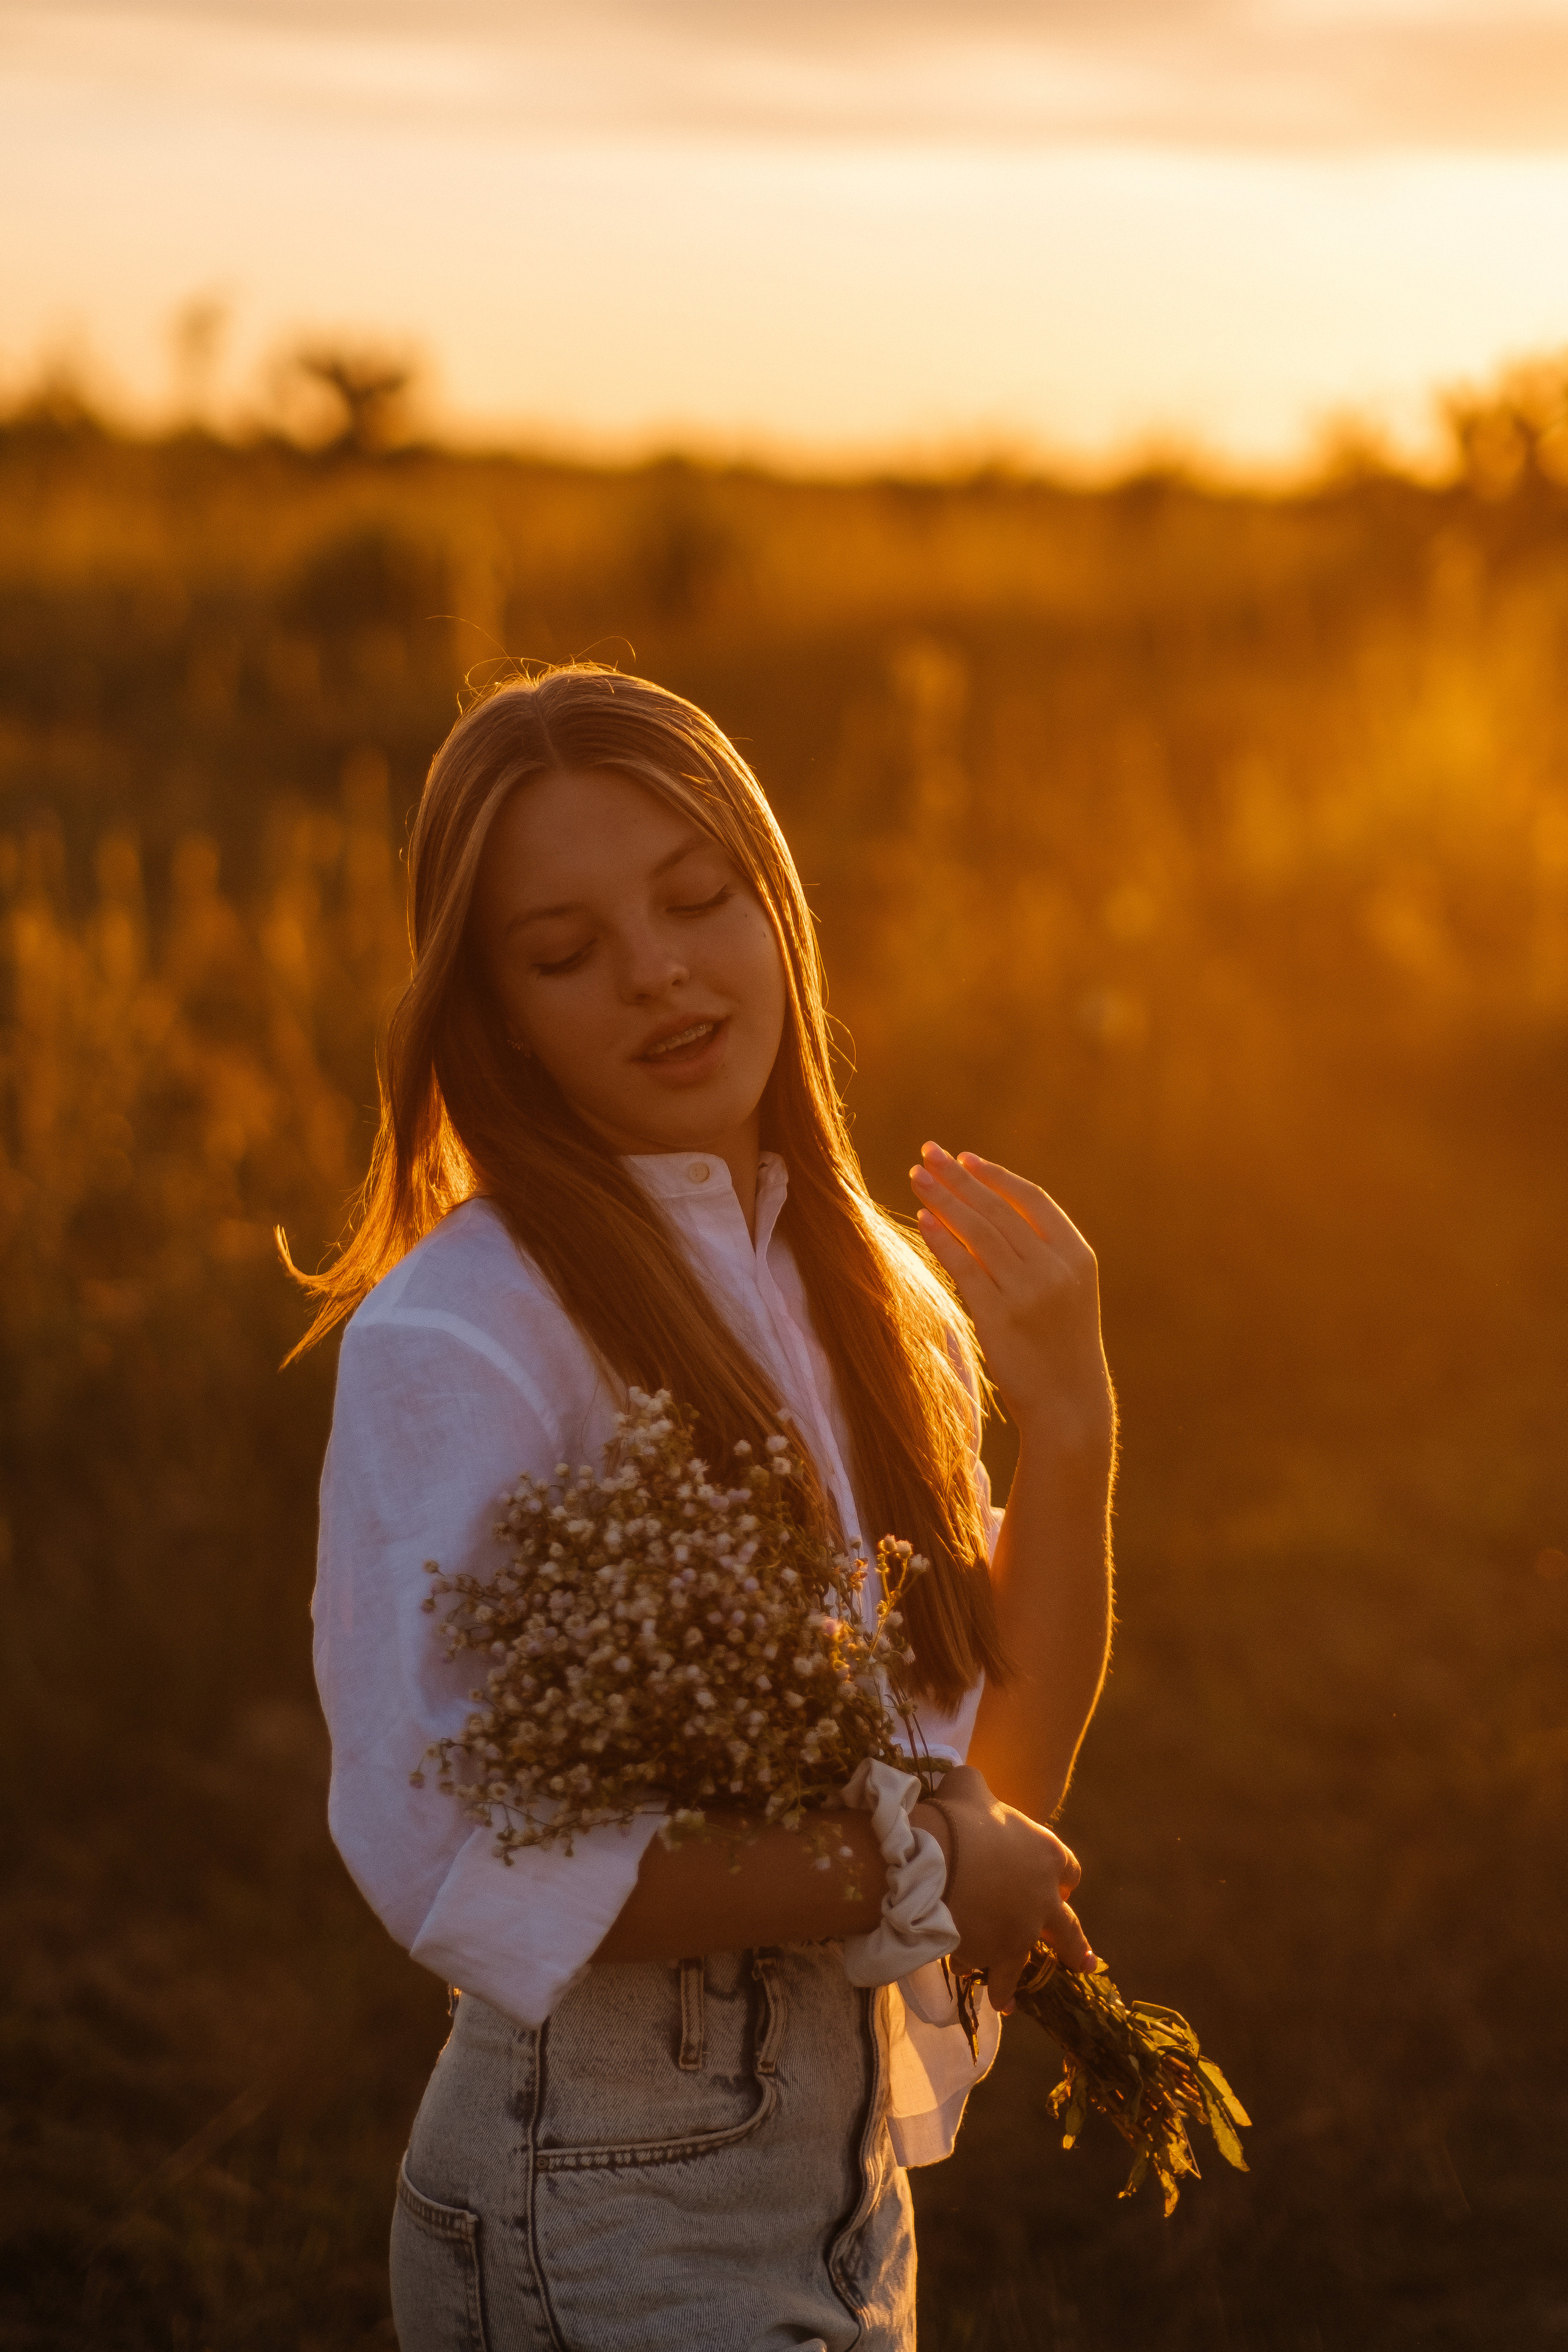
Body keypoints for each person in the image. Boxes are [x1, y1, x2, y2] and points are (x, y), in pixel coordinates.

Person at [298, 665, 1116, 2352]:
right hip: (597, 2189)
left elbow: (1000, 1784)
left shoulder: (864, 1291)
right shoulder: (463, 1331)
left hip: (834, 2185)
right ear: (491, 1008)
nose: (657, 970)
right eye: (564, 950)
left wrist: (1076, 1424)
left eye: (696, 898)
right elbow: (453, 1846)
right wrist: (912, 1855)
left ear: (777, 906)